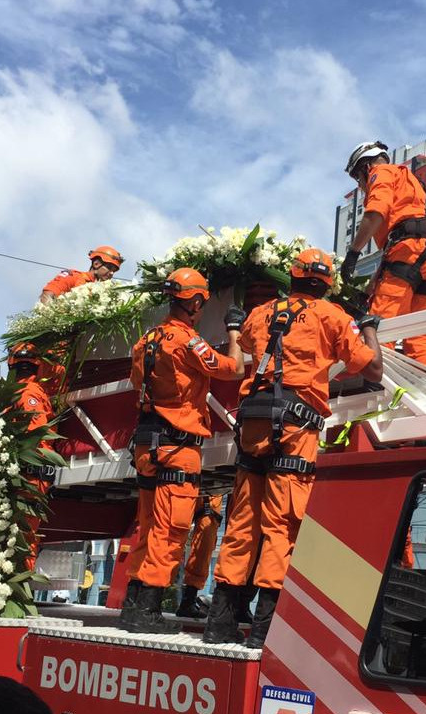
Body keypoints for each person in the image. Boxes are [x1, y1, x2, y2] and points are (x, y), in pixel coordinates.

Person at [204, 248, 384, 647]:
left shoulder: (261, 312)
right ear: (327, 283)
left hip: (253, 422)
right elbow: (373, 370)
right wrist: (368, 326)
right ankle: (264, 631)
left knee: (242, 522)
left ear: (293, 276)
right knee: (281, 524)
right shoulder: (332, 316)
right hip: (295, 426)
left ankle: (219, 623)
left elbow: (248, 349)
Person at [120, 268, 245, 634]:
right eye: (202, 303)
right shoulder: (188, 342)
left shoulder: (146, 341)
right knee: (170, 530)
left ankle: (133, 604)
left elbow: (136, 384)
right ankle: (149, 610)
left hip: (146, 445)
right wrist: (234, 329)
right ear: (192, 301)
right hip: (178, 446)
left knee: (148, 528)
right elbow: (234, 368)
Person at [340, 141, 426, 373]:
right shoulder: (410, 180)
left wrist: (353, 253)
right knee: (424, 329)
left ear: (365, 166)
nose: (360, 186)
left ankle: (373, 381)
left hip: (409, 250)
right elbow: (400, 237)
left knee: (381, 323)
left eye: (358, 179)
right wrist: (374, 283)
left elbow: (376, 212)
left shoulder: (380, 173)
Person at [9, 343, 56, 569]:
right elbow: (39, 433)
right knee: (24, 535)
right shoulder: (30, 392)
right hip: (30, 477)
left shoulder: (21, 393)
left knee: (20, 534)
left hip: (26, 476)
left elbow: (34, 432)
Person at [175, 493, 224, 618]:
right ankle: (187, 600)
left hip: (190, 485)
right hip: (208, 487)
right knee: (204, 537)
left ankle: (144, 599)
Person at [39, 245, 124, 304]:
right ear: (96, 264)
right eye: (109, 268)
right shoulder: (73, 276)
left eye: (114, 271)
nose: (112, 273)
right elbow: (46, 296)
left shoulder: (108, 293)